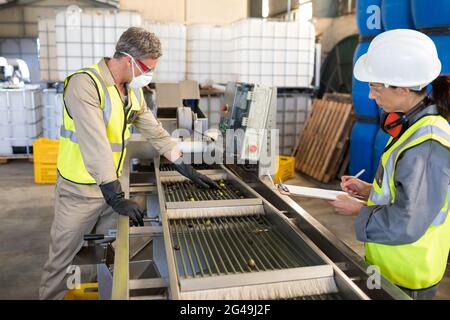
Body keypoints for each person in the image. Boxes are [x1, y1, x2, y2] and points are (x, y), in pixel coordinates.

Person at [39, 27, 218, 300]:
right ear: (127, 59)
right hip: (81, 191)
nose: (150, 75)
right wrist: (115, 195)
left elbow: (153, 129)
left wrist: (182, 163)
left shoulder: (132, 92)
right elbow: (95, 143)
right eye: (148, 67)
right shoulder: (84, 84)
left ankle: (102, 291)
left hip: (112, 187)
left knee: (111, 252)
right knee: (63, 258)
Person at [329, 29, 450, 300]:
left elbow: (409, 220)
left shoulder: (427, 144)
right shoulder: (412, 126)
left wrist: (359, 210)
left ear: (404, 89)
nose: (371, 96)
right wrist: (368, 189)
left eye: (375, 87)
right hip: (391, 262)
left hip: (409, 272)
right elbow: (404, 191)